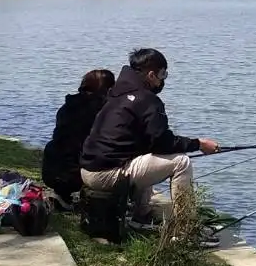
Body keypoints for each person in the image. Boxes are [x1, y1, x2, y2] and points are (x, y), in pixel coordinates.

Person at [80, 48, 219, 228]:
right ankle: (187, 229)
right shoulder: (147, 100)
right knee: (181, 162)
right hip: (106, 175)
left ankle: (142, 215)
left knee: (147, 152)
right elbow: (164, 142)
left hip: (87, 170)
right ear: (152, 75)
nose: (163, 79)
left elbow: (153, 142)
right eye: (163, 74)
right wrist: (199, 144)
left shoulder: (116, 91)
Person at [40, 69, 115, 204]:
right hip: (75, 172)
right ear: (108, 89)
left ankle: (63, 195)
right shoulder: (101, 111)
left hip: (51, 168)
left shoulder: (66, 107)